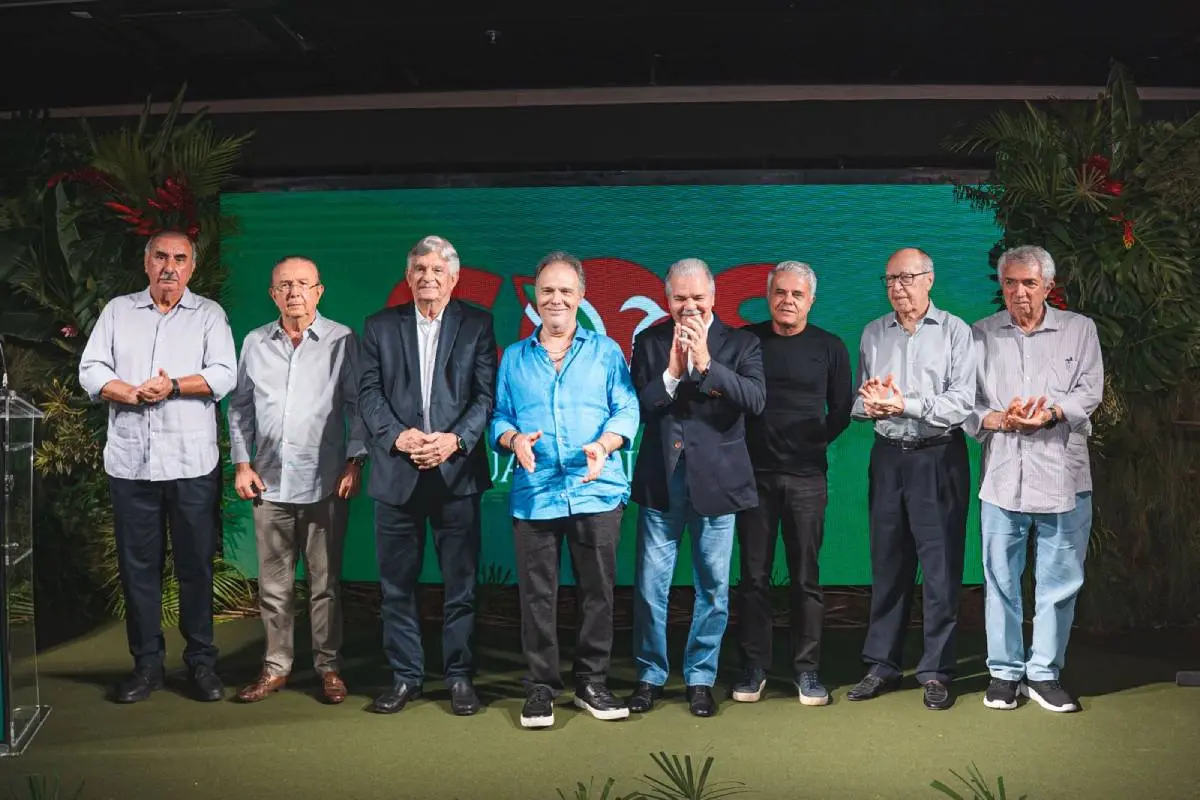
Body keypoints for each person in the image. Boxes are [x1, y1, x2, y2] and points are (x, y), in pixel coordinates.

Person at [78, 230, 236, 704]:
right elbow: (90, 368)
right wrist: (127, 391)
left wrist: (174, 387)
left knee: (195, 567)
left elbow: (226, 373)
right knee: (138, 570)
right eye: (161, 257)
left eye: (180, 258)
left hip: (191, 465)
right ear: (146, 263)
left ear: (192, 267)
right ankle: (147, 667)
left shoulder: (209, 314)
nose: (170, 266)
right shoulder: (117, 311)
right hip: (131, 466)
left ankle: (202, 664)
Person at [491, 251, 639, 729]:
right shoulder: (514, 358)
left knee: (597, 592)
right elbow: (498, 416)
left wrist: (604, 444)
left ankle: (592, 682)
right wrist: (513, 440)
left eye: (565, 291)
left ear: (581, 297)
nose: (555, 299)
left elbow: (627, 408)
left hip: (596, 491)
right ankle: (540, 687)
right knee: (538, 595)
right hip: (535, 493)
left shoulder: (606, 351)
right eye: (547, 290)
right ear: (536, 297)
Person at [358, 235, 497, 716]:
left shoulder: (478, 324)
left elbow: (485, 397)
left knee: (461, 585)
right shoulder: (379, 326)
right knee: (396, 586)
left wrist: (453, 441)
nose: (428, 278)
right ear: (408, 275)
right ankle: (406, 676)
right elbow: (369, 393)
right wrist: (398, 437)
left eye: (438, 270)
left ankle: (458, 676)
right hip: (397, 475)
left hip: (456, 475)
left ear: (454, 278)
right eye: (419, 269)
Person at [966, 245, 1103, 714]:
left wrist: (1050, 413)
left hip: (1063, 476)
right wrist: (1000, 419)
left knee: (1059, 583)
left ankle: (1044, 673)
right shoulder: (980, 335)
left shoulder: (1079, 330)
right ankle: (1004, 674)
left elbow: (1090, 392)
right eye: (1010, 283)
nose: (1019, 293)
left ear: (1048, 286)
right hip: (1002, 478)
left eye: (1029, 283)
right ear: (1001, 286)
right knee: (1000, 581)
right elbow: (969, 403)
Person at [628, 257, 766, 718]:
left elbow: (755, 400)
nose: (688, 307)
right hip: (662, 481)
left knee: (713, 588)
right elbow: (641, 409)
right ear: (667, 300)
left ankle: (701, 677)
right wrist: (670, 373)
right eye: (679, 299)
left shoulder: (742, 342)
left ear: (714, 297)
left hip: (718, 483)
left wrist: (706, 365)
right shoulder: (648, 341)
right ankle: (650, 674)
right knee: (651, 586)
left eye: (697, 298)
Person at [227, 256, 367, 705]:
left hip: (325, 483)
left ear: (319, 291)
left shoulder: (342, 340)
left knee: (325, 585)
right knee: (274, 585)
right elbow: (240, 408)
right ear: (272, 294)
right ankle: (276, 667)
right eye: (284, 285)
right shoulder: (254, 342)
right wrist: (242, 464)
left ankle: (329, 668)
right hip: (268, 483)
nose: (294, 293)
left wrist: (354, 461)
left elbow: (357, 406)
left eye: (303, 284)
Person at [847, 247, 975, 711]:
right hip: (888, 457)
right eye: (889, 280)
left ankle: (936, 670)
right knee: (888, 562)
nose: (897, 288)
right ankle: (881, 665)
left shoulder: (956, 332)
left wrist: (906, 404)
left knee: (940, 570)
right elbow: (858, 403)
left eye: (906, 278)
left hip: (937, 457)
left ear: (929, 280)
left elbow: (963, 404)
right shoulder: (872, 333)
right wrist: (874, 404)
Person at [733, 261, 853, 706]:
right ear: (768, 295)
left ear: (811, 300)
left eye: (797, 295)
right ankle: (754, 668)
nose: (787, 301)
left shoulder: (830, 347)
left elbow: (842, 408)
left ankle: (807, 671)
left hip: (807, 480)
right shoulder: (746, 341)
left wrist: (813, 440)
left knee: (806, 579)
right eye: (780, 292)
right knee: (754, 578)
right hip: (753, 479)